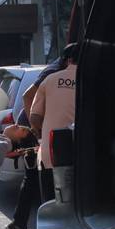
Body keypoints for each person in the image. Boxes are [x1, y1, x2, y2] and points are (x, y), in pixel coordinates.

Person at [6, 42, 80, 229]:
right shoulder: (54, 72)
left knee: (36, 176)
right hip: (35, 125)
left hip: (45, 129)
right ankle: (26, 227)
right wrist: (35, 131)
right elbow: (27, 96)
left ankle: (19, 224)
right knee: (41, 179)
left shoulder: (54, 75)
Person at [30, 49, 78, 202]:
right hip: (82, 154)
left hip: (51, 154)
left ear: (68, 60)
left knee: (51, 203)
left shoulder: (49, 80)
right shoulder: (91, 80)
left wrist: (40, 135)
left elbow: (35, 117)